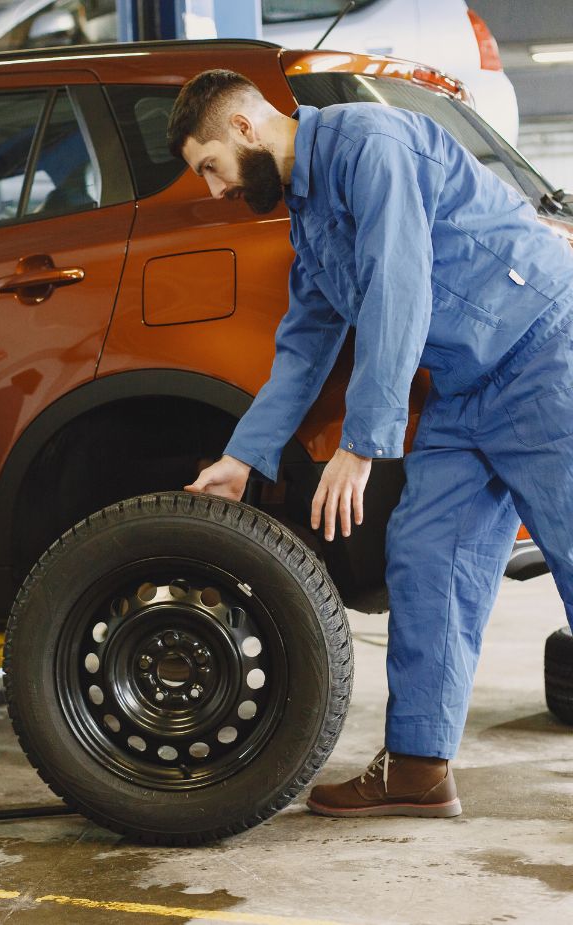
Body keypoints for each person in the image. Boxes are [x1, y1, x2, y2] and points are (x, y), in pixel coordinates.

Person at [167, 69, 573, 818]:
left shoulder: (370, 144)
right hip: (464, 386)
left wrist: (363, 442)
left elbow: (399, 283)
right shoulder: (308, 214)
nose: (216, 189)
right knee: (426, 555)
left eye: (210, 168)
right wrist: (241, 457)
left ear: (247, 128)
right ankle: (418, 766)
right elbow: (305, 345)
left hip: (544, 349)